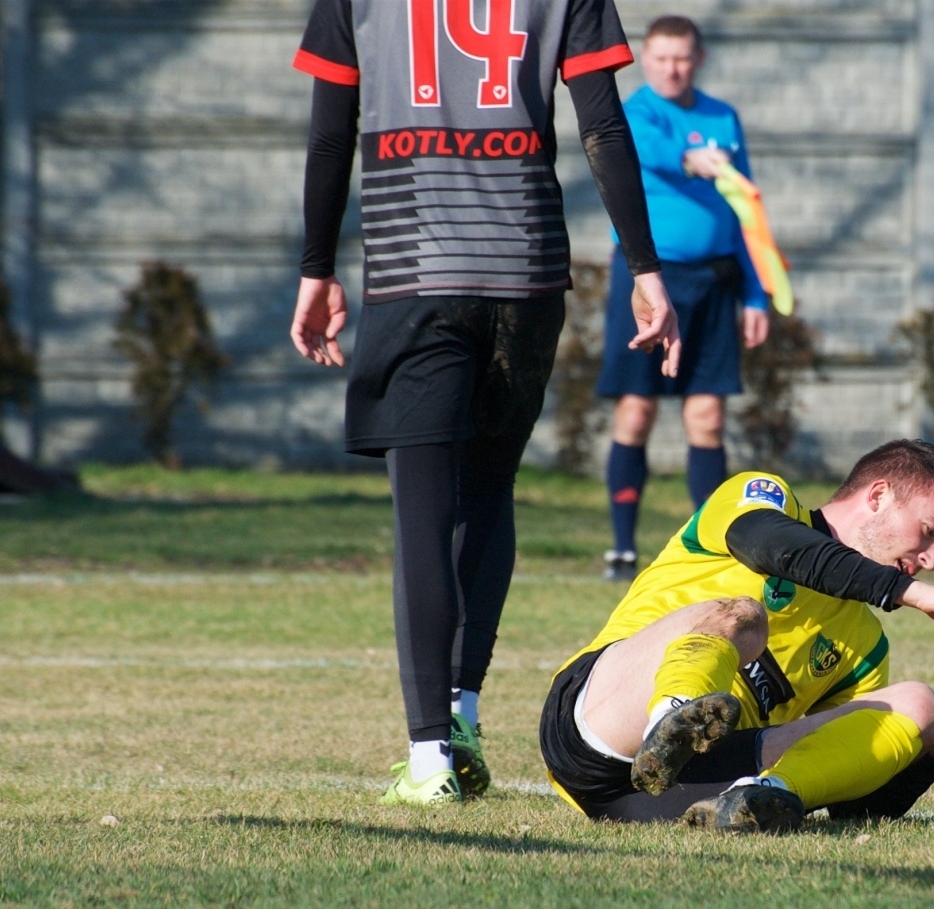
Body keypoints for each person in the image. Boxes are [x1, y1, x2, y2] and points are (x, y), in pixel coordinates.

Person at [287, 0, 682, 805]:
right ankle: (462, 710)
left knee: (423, 516)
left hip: (416, 275)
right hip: (525, 274)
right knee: (487, 492)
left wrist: (316, 268)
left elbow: (332, 132)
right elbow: (604, 128)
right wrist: (645, 269)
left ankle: (431, 754)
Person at [540, 439, 934, 832]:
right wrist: (909, 592)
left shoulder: (863, 643)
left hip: (667, 793)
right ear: (878, 496)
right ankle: (669, 721)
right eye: (928, 531)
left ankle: (762, 799)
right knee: (742, 616)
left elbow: (851, 801)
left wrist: (929, 754)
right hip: (600, 719)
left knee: (919, 702)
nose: (932, 559)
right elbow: (776, 547)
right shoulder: (765, 497)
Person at [596, 15, 771, 582]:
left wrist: (755, 292)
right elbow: (654, 152)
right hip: (649, 276)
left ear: (699, 59)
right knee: (637, 408)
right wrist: (694, 160)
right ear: (646, 59)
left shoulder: (723, 117)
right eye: (662, 57)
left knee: (707, 416)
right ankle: (623, 547)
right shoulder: (636, 114)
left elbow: (745, 206)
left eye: (683, 58)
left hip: (715, 281)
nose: (673, 68)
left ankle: (706, 548)